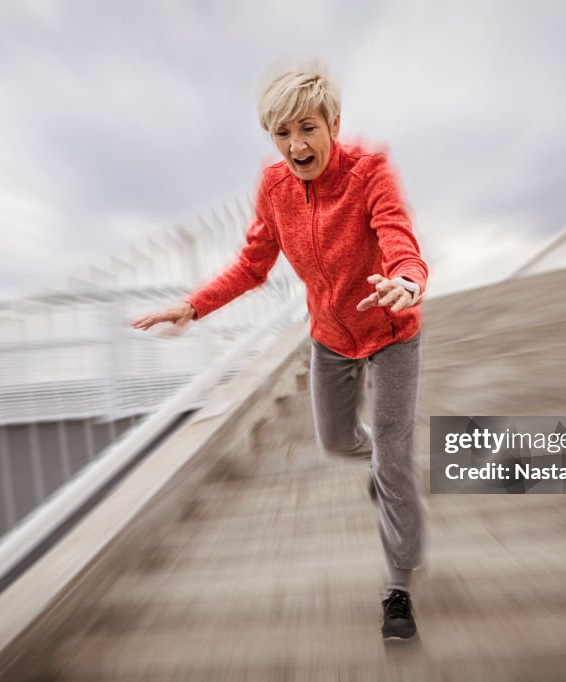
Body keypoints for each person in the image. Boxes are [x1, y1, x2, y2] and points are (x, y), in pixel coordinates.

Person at [130, 60, 427, 641]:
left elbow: (399, 239)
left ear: (332, 123)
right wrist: (193, 306)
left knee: (395, 460)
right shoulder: (274, 188)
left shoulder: (369, 172)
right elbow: (252, 265)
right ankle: (377, 462)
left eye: (306, 129)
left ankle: (398, 591)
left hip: (392, 329)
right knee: (338, 440)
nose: (295, 144)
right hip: (331, 336)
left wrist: (408, 282)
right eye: (282, 134)